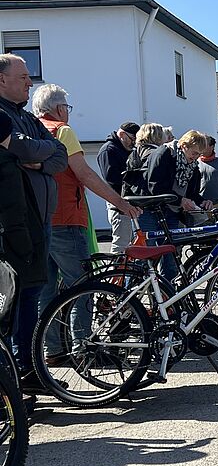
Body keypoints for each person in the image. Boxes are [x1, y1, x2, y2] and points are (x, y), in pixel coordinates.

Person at [33, 84, 141, 363]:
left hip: (39, 219)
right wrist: (121, 203)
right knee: (84, 286)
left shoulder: (32, 130)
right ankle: (84, 349)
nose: (68, 113)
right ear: (59, 109)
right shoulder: (62, 131)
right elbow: (85, 175)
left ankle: (52, 350)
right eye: (67, 108)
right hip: (67, 217)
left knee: (47, 290)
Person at [0, 54, 68, 385]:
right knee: (18, 295)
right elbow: (25, 150)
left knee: (34, 290)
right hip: (14, 221)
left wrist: (38, 159)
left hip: (40, 219)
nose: (31, 82)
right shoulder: (1, 116)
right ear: (2, 80)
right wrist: (36, 151)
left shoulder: (26, 118)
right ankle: (18, 370)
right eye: (24, 76)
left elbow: (59, 156)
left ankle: (27, 368)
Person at [0, 109, 46, 389]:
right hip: (13, 250)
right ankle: (16, 383)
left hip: (12, 246)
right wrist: (26, 248)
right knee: (14, 311)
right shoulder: (6, 163)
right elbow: (13, 210)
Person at [141, 130, 212, 282]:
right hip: (150, 209)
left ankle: (168, 300)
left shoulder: (192, 166)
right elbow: (155, 187)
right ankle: (130, 299)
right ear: (183, 146)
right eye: (194, 153)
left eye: (199, 154)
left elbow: (192, 194)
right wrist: (180, 200)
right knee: (146, 258)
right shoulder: (164, 154)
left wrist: (203, 202)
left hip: (172, 212)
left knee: (171, 258)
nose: (196, 157)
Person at [97, 121, 139, 254]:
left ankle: (123, 272)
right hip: (118, 203)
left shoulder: (121, 150)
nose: (133, 143)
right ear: (122, 134)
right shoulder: (109, 150)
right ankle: (116, 273)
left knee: (129, 243)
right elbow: (112, 180)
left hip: (125, 202)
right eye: (132, 139)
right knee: (121, 243)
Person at [122, 123, 167, 197]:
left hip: (133, 194)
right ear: (158, 136)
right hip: (150, 197)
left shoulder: (133, 153)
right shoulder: (157, 153)